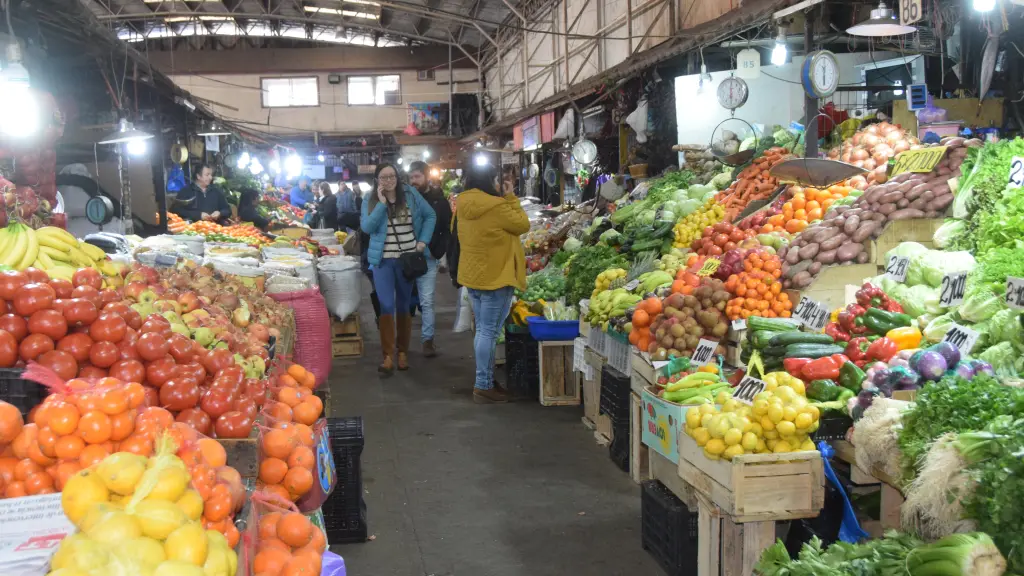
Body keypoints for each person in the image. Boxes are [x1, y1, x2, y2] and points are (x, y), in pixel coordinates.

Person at [456, 162, 529, 404]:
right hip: (496, 276)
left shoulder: (462, 204)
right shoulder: (497, 205)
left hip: (474, 277)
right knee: (488, 332)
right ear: (490, 181)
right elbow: (522, 225)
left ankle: (485, 380)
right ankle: (483, 384)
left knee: (483, 331)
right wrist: (510, 197)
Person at [361, 163, 436, 375]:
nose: (388, 180)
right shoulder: (370, 199)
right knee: (386, 305)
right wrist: (382, 204)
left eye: (391, 176)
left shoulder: (411, 195)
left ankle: (402, 352)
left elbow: (431, 216)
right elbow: (367, 227)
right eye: (383, 177)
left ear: (397, 177)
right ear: (377, 180)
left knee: (404, 305)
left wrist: (422, 242)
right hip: (382, 261)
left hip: (406, 261)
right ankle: (387, 356)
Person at [406, 161, 451, 358]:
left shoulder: (438, 200)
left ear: (426, 177)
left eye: (417, 176)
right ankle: (402, 344)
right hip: (405, 257)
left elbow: (446, 228)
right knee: (403, 301)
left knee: (427, 300)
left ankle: (427, 340)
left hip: (428, 259)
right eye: (411, 177)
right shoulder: (404, 200)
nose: (413, 181)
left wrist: (437, 251)